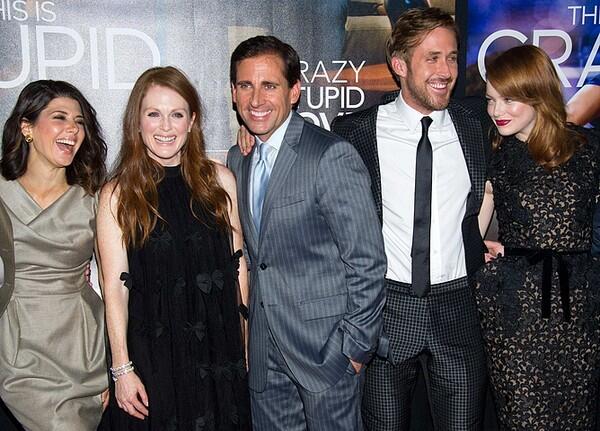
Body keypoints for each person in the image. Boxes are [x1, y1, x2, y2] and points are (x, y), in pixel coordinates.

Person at [332, 8, 490, 431]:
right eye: (432, 58)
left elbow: (537, 121)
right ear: (400, 65)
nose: (446, 70)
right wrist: (255, 137)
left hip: (458, 308)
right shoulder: (356, 132)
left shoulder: (477, 126)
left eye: (453, 57)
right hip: (387, 308)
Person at [227, 35, 386, 430]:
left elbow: (366, 262)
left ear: (295, 91)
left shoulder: (330, 154)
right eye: (246, 85)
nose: (256, 99)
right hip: (264, 355)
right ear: (233, 93)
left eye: (269, 86)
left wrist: (353, 350)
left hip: (325, 354)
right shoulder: (238, 158)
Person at [98, 66, 251, 430]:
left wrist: (243, 346)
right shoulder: (117, 195)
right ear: (137, 121)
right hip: (154, 357)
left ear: (192, 121)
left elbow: (238, 268)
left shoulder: (220, 182)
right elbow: (114, 290)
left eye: (176, 114)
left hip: (218, 349)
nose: (165, 127)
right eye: (154, 114)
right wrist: (122, 369)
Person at [476, 44, 600, 430]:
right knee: (522, 415)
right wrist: (474, 249)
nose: (497, 111)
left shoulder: (589, 148)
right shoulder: (495, 152)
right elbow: (475, 220)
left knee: (576, 416)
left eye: (509, 99)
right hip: (514, 308)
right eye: (491, 100)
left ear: (538, 94)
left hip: (580, 305)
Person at [0, 80, 109, 430]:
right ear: (26, 127)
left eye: (79, 122)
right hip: (17, 345)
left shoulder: (95, 198)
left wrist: (117, 362)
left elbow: (112, 280)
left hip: (81, 347)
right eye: (59, 118)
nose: (72, 130)